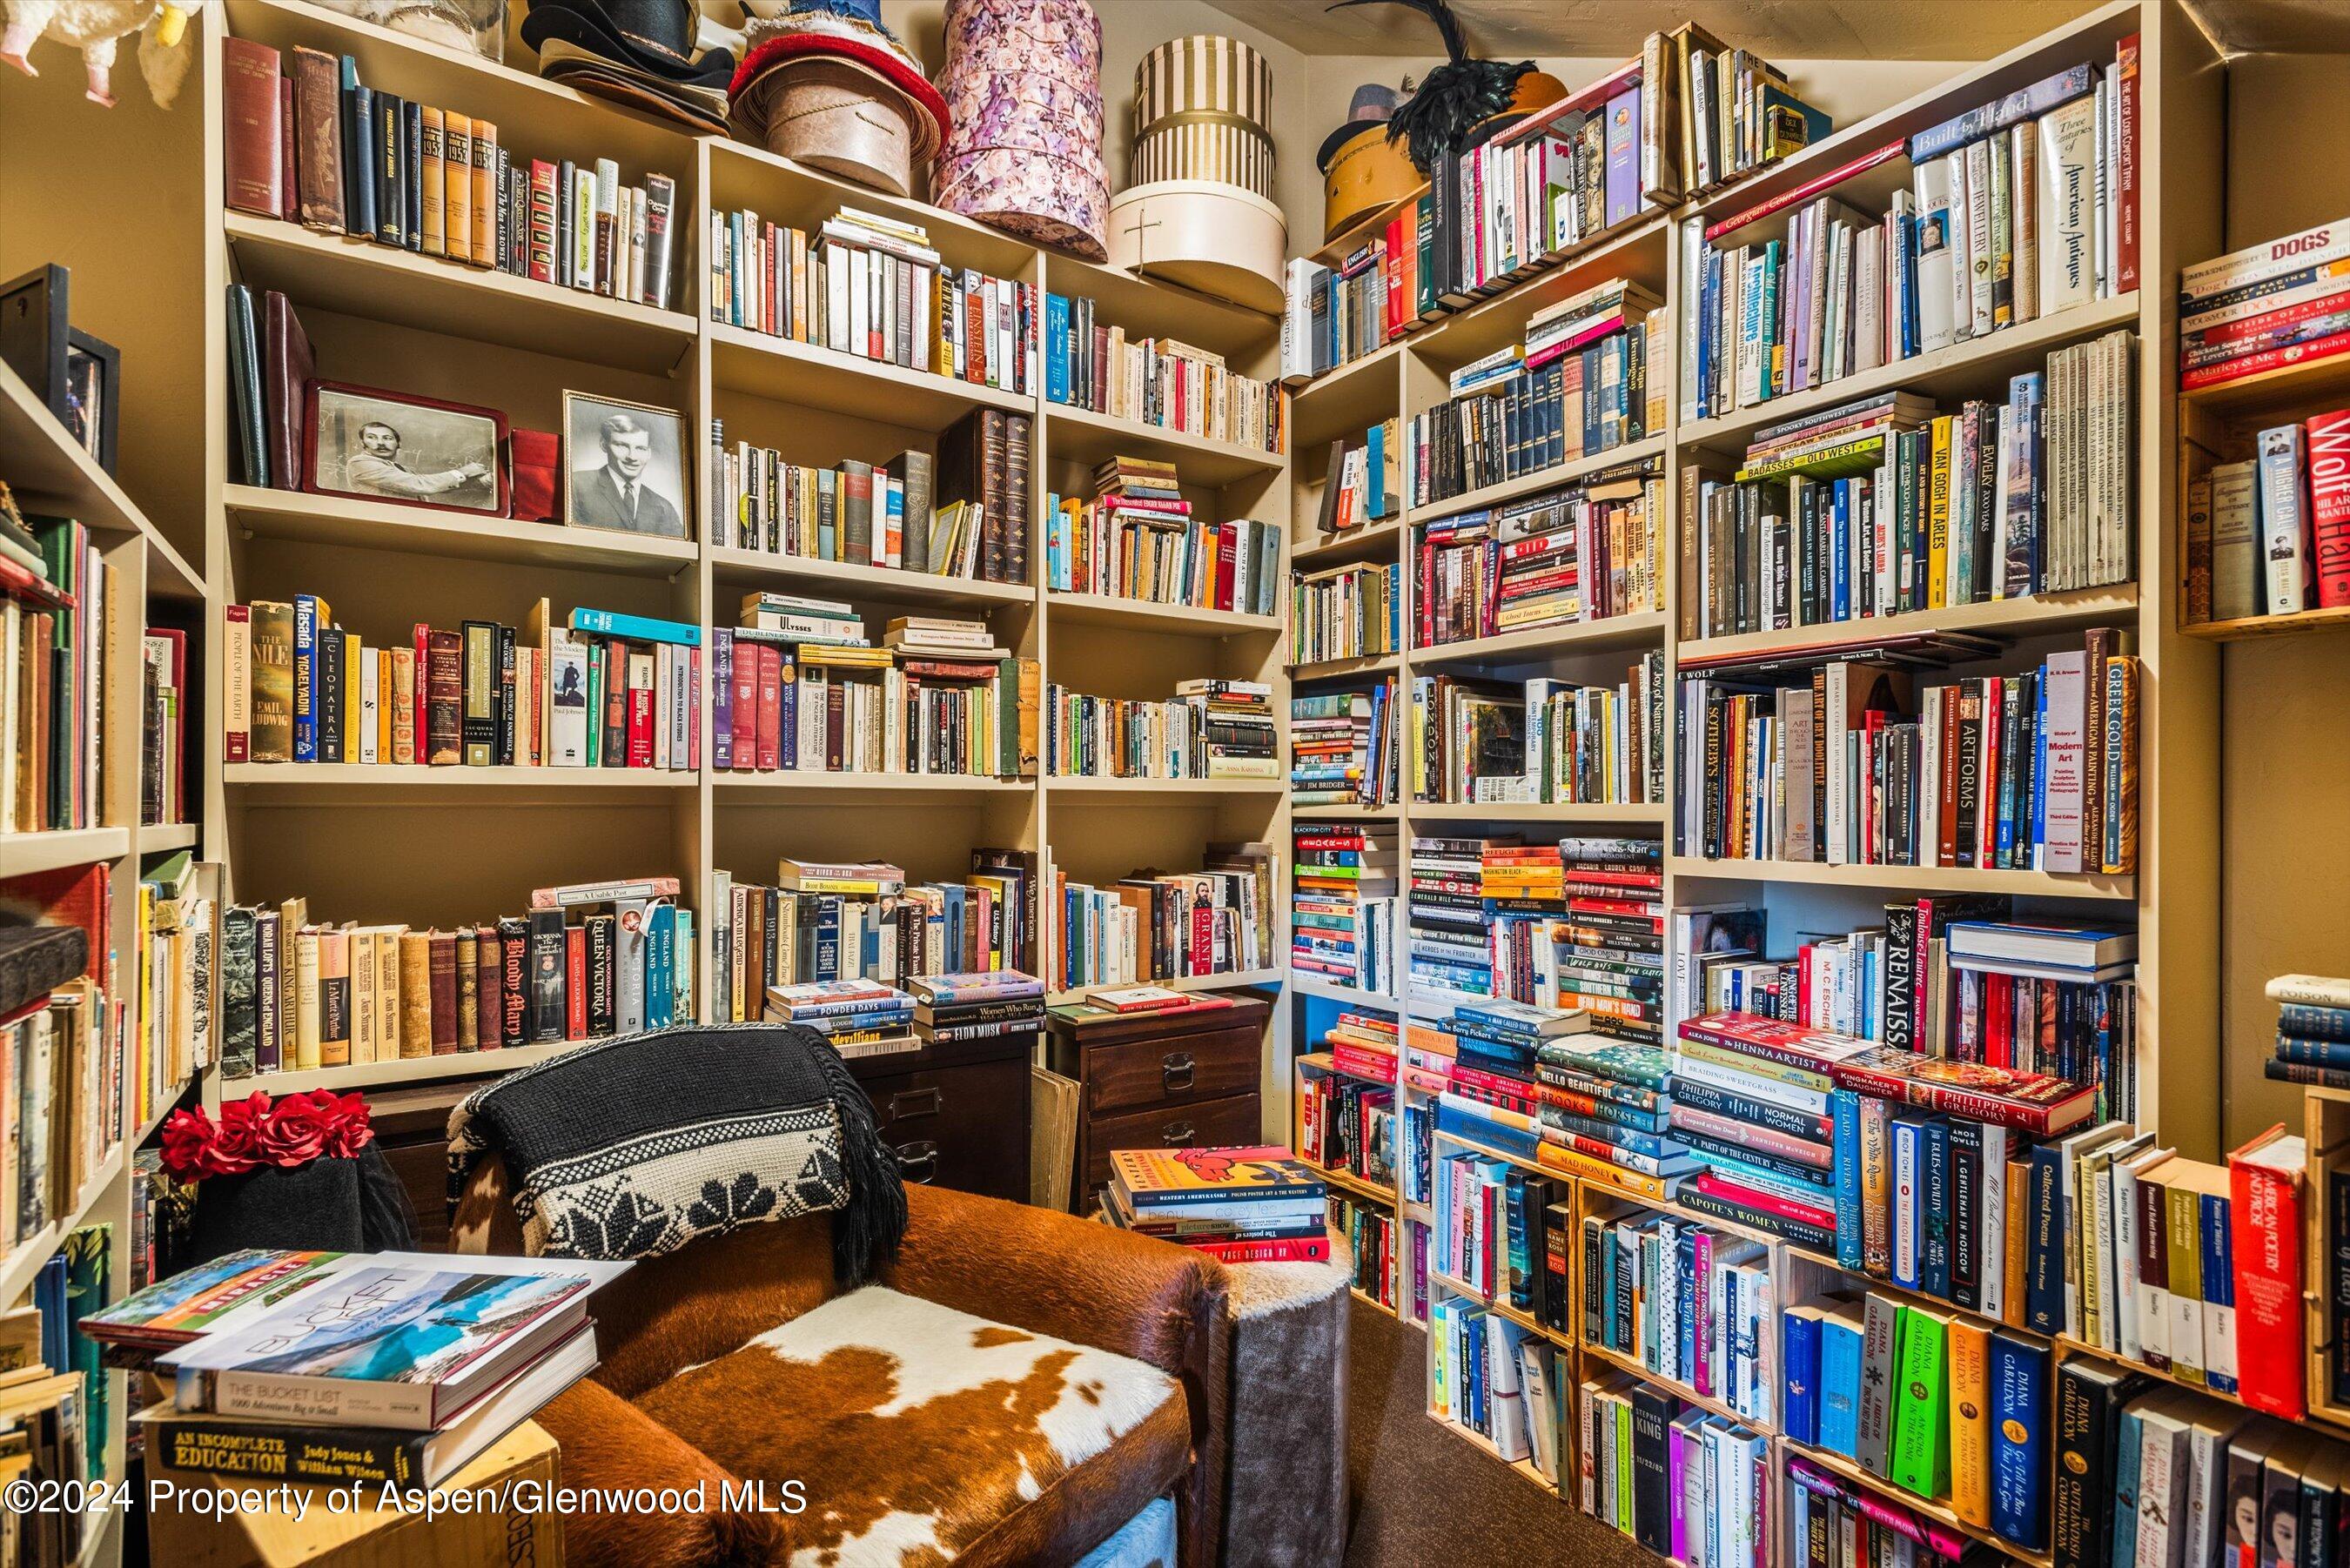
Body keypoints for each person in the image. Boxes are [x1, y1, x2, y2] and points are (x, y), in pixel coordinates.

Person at [571, 410, 682, 536]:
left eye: (640, 448)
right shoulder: (576, 485)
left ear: (649, 453)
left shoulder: (664, 507)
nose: (632, 456)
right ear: (603, 445)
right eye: (622, 446)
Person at [344, 420, 492, 500]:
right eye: (372, 438)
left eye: (387, 438)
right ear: (363, 443)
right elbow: (420, 485)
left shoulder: (403, 470)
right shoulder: (359, 463)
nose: (381, 443)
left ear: (398, 444)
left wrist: (484, 481)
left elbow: (439, 488)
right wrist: (463, 471)